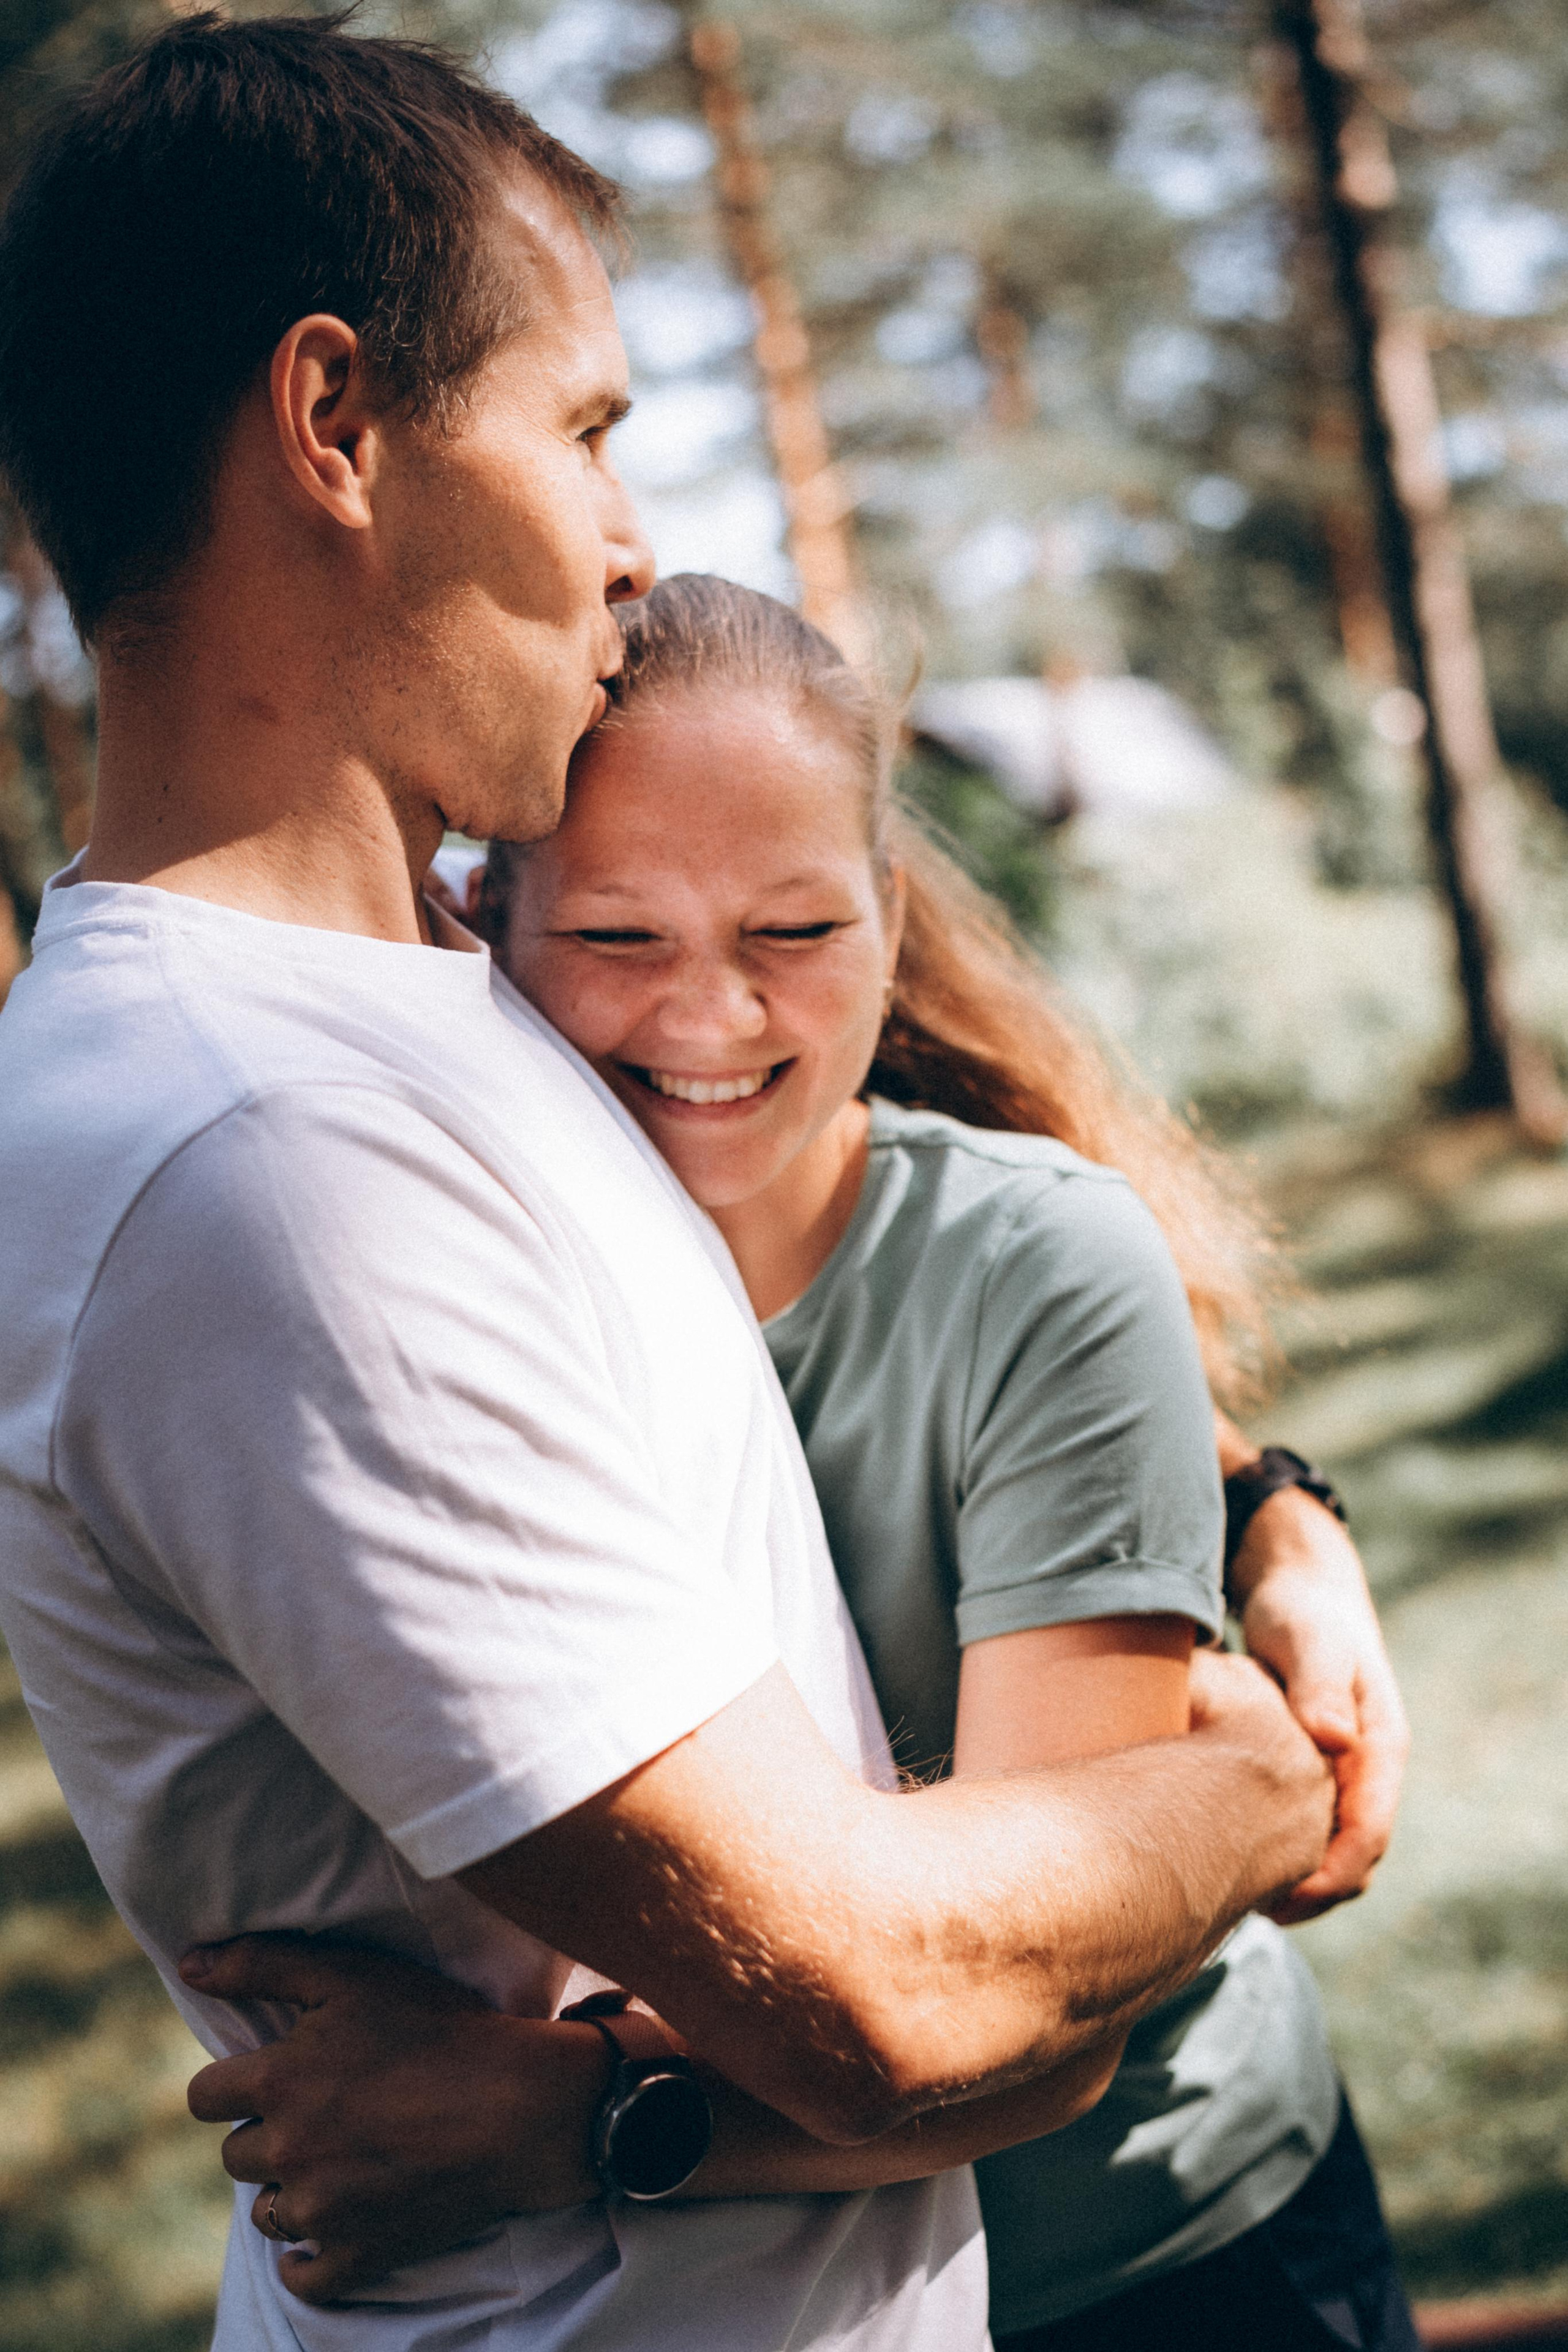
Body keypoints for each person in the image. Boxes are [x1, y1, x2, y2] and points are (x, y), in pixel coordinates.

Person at [0, 18, 1335, 2352]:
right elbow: (913, 2003)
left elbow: (843, 1215)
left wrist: (1258, 1508)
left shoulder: (428, 996)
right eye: (590, 429)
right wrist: (1247, 1788)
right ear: (334, 425)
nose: (634, 541)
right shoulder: (257, 1163)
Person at [192, 577, 1417, 2352]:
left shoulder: (1038, 1263)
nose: (712, 1013)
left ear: (892, 919)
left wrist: (574, 2114)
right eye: (618, 935)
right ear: (486, 928)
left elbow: (1039, 2007)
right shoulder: (454, 1307)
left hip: (1163, 2252)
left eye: (795, 929)